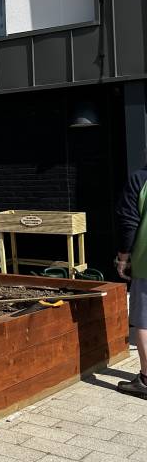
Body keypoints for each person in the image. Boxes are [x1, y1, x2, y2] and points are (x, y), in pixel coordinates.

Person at [115, 164, 147, 398]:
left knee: (144, 320)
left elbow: (130, 222)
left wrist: (123, 259)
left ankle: (145, 380)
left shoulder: (140, 179)